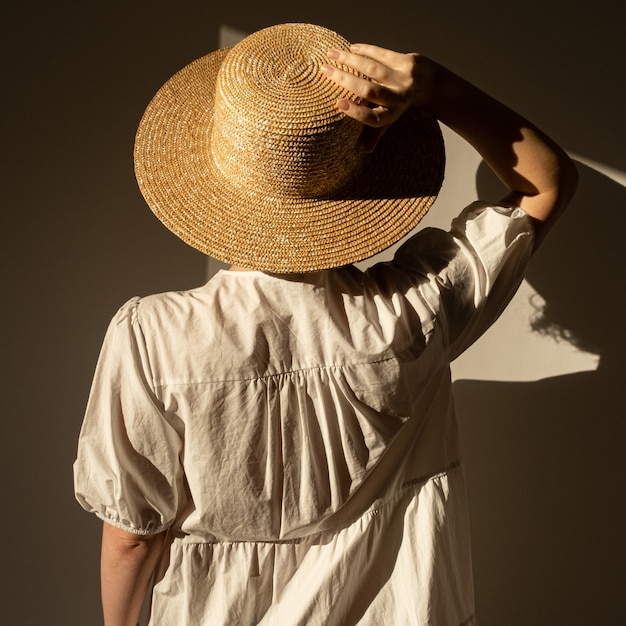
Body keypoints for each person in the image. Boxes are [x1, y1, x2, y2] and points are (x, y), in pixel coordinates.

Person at [73, 23, 577, 626]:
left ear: (219, 160)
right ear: (367, 153)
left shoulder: (151, 336)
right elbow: (547, 184)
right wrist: (436, 87)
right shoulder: (418, 310)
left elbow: (131, 536)